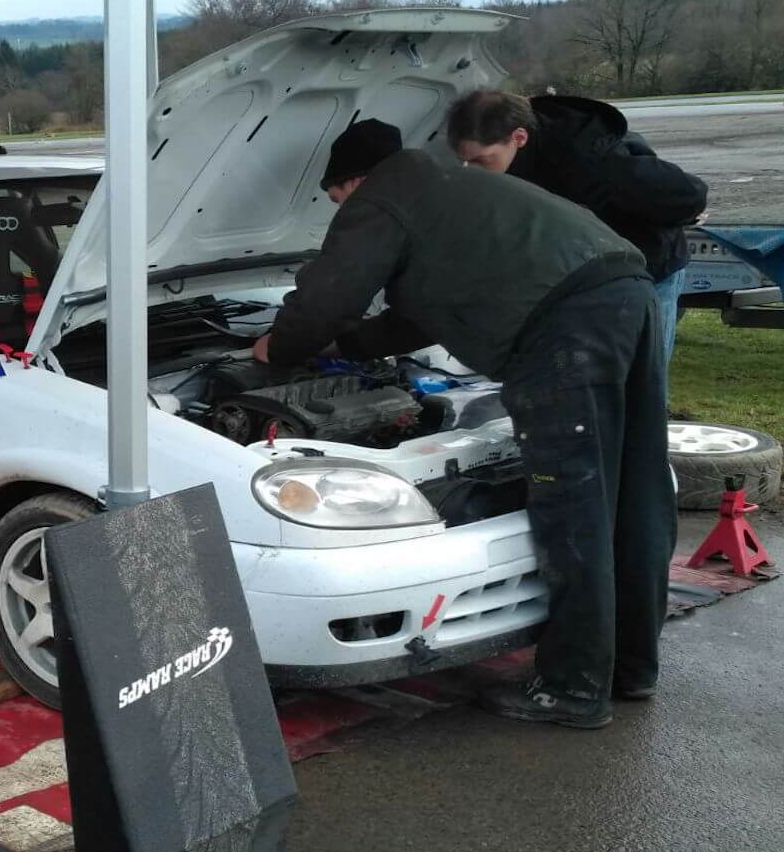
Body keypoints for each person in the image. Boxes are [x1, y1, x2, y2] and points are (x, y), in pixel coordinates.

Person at [251, 119, 674, 729]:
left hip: (564, 328)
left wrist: (281, 348)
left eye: (334, 199)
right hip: (621, 295)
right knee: (632, 484)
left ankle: (574, 688)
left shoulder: (382, 198)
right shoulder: (450, 187)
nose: (338, 213)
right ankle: (631, 666)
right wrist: (346, 349)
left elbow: (328, 296)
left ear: (352, 182)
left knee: (573, 501)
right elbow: (423, 315)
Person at [446, 89, 707, 374]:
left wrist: (682, 215)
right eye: (466, 161)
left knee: (640, 382)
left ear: (518, 138)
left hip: (650, 267)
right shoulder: (509, 158)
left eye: (483, 160)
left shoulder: (588, 158)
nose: (474, 171)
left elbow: (688, 193)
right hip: (585, 275)